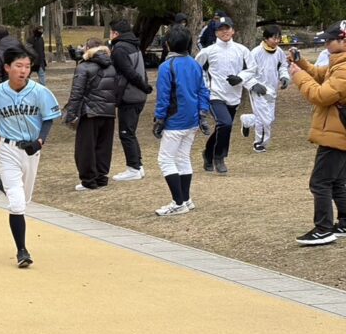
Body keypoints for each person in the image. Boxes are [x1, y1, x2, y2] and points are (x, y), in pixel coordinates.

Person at [0, 50, 61, 268]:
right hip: (8, 149)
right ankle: (22, 251)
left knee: (23, 200)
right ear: (7, 67)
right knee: (16, 205)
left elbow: (49, 118)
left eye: (27, 66)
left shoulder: (40, 92)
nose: (23, 70)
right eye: (18, 66)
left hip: (31, 150)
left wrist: (40, 141)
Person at [287, 20, 346, 245]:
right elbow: (320, 75)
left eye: (330, 40)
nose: (326, 44)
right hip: (337, 131)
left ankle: (323, 229)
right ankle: (344, 222)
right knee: (337, 181)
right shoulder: (338, 63)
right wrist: (301, 63)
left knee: (320, 182)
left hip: (336, 133)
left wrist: (297, 75)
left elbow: (320, 96)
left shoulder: (344, 68)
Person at [151, 26, 211, 216]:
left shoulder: (166, 67)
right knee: (183, 158)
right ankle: (186, 199)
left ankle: (178, 203)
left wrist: (159, 119)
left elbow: (163, 97)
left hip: (175, 120)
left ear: (168, 44)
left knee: (165, 160)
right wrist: (202, 114)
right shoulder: (194, 64)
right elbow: (203, 90)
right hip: (192, 120)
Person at [195, 15, 256, 174]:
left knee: (223, 127)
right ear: (215, 33)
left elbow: (252, 68)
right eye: (220, 29)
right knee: (225, 124)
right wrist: (204, 87)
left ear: (233, 30)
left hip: (234, 96)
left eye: (227, 28)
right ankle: (219, 157)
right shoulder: (208, 51)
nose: (224, 32)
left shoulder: (242, 50)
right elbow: (196, 68)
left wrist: (240, 78)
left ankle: (208, 154)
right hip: (215, 95)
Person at [63, 38, 123, 191]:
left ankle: (88, 180)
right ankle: (101, 177)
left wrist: (71, 114)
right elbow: (118, 89)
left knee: (85, 148)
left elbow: (76, 93)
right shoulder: (112, 67)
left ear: (87, 48)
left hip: (89, 112)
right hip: (108, 111)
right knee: (104, 146)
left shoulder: (83, 67)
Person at [108, 19, 154, 182]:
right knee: (130, 132)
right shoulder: (134, 45)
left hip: (130, 96)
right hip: (137, 96)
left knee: (126, 133)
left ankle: (133, 168)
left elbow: (129, 72)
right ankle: (138, 166)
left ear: (115, 33)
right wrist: (144, 86)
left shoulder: (120, 49)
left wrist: (144, 86)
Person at [240, 25, 291, 152]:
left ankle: (247, 120)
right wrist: (253, 85)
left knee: (269, 118)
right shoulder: (255, 52)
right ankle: (259, 143)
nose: (277, 41)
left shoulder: (279, 52)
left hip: (272, 89)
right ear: (265, 38)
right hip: (258, 90)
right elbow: (246, 71)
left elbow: (283, 66)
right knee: (265, 120)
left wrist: (284, 77)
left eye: (278, 38)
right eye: (274, 38)